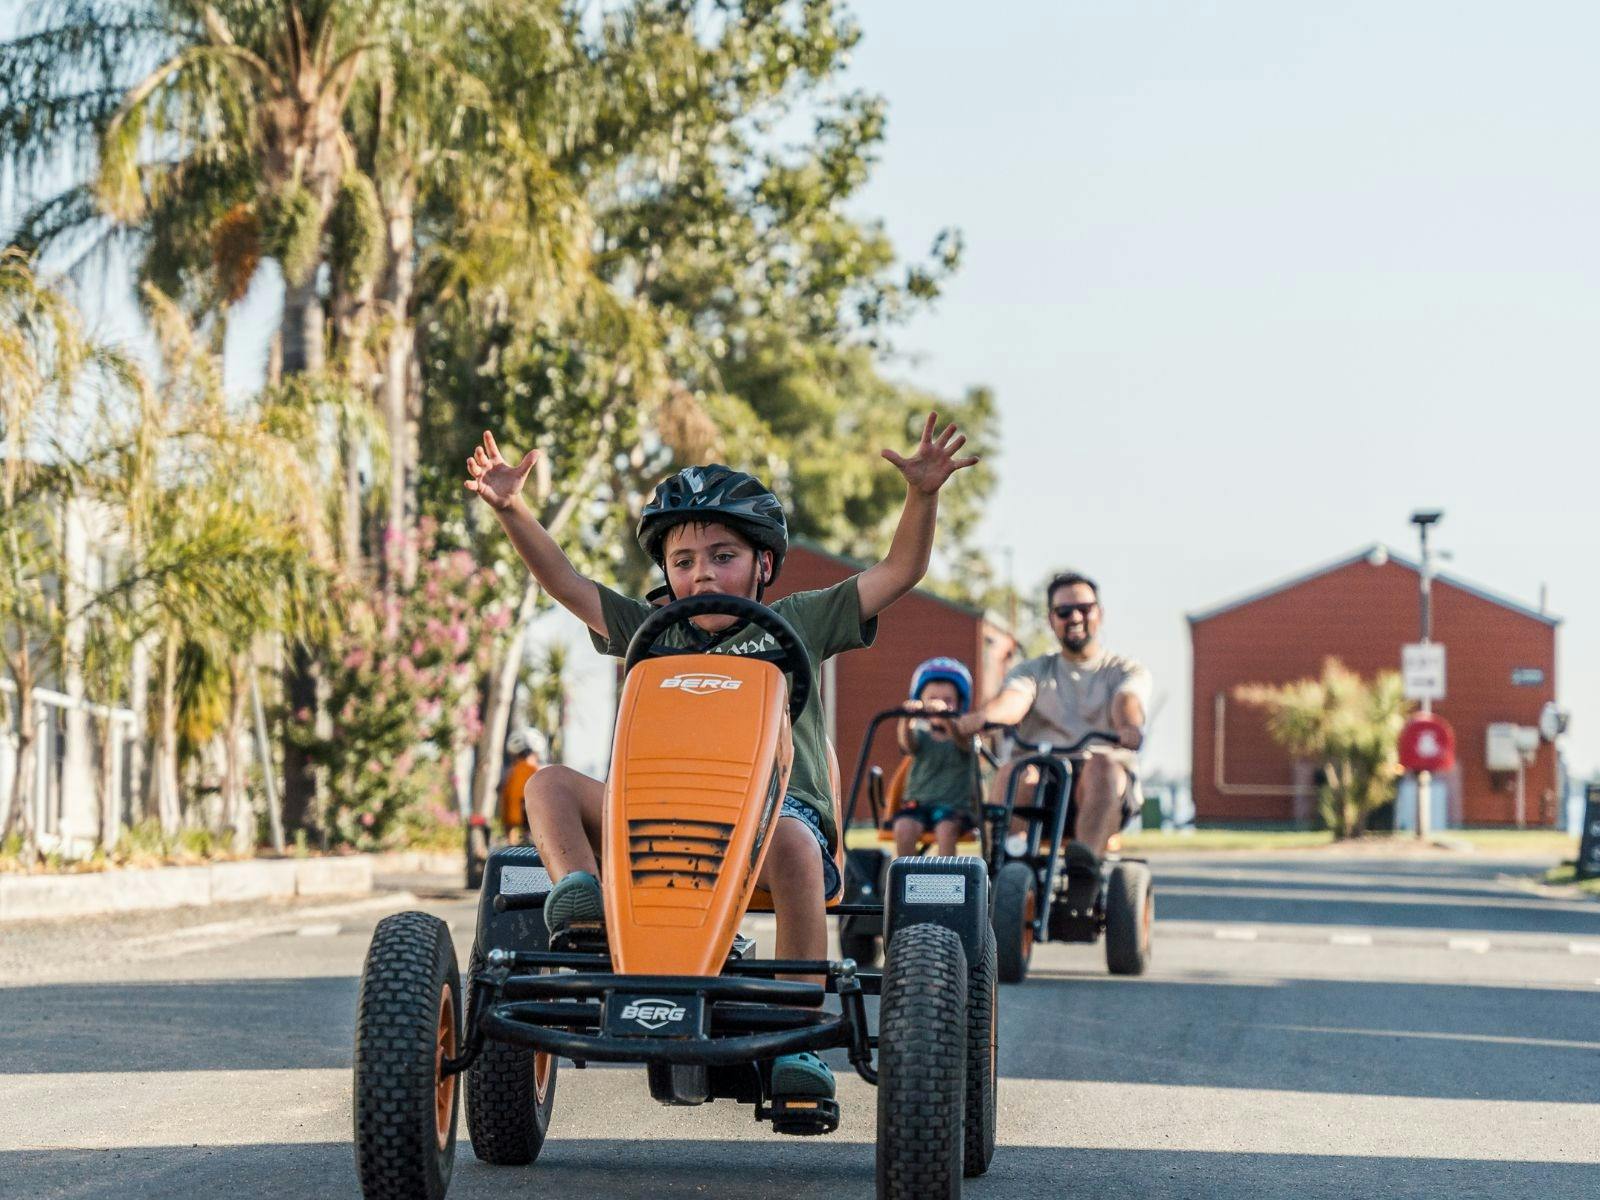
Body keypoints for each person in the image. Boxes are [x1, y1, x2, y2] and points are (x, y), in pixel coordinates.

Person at [464, 413, 977, 1103]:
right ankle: (583, 899)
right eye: (683, 562)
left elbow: (899, 570)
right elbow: (566, 583)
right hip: (657, 815)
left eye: (723, 555)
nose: (702, 572)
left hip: (776, 816)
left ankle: (795, 1033)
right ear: (667, 575)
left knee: (794, 842)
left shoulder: (798, 621)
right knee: (549, 785)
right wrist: (512, 509)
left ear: (763, 564)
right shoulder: (652, 631)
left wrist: (922, 496)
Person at [953, 571, 1150, 899]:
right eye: (1064, 611)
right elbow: (1013, 703)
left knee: (1103, 764)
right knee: (1017, 770)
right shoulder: (1034, 671)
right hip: (1042, 789)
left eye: (1084, 608)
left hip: (1101, 791)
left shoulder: (1123, 670)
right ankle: (1006, 866)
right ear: (1051, 620)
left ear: (1099, 613)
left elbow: (1126, 703)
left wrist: (1129, 729)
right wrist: (982, 719)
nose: (1074, 617)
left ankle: (1083, 871)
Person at [891, 657, 980, 858]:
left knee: (946, 829)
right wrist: (906, 719)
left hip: (953, 809)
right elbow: (907, 744)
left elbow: (963, 743)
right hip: (919, 805)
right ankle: (909, 878)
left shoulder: (964, 737)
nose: (939, 705)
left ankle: (945, 880)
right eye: (932, 700)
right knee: (903, 827)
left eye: (948, 701)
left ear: (959, 704)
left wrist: (948, 718)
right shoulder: (921, 735)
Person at [497, 728, 544, 844]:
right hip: (536, 830)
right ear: (536, 753)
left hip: (513, 826)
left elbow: (506, 815)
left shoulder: (509, 775)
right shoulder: (541, 773)